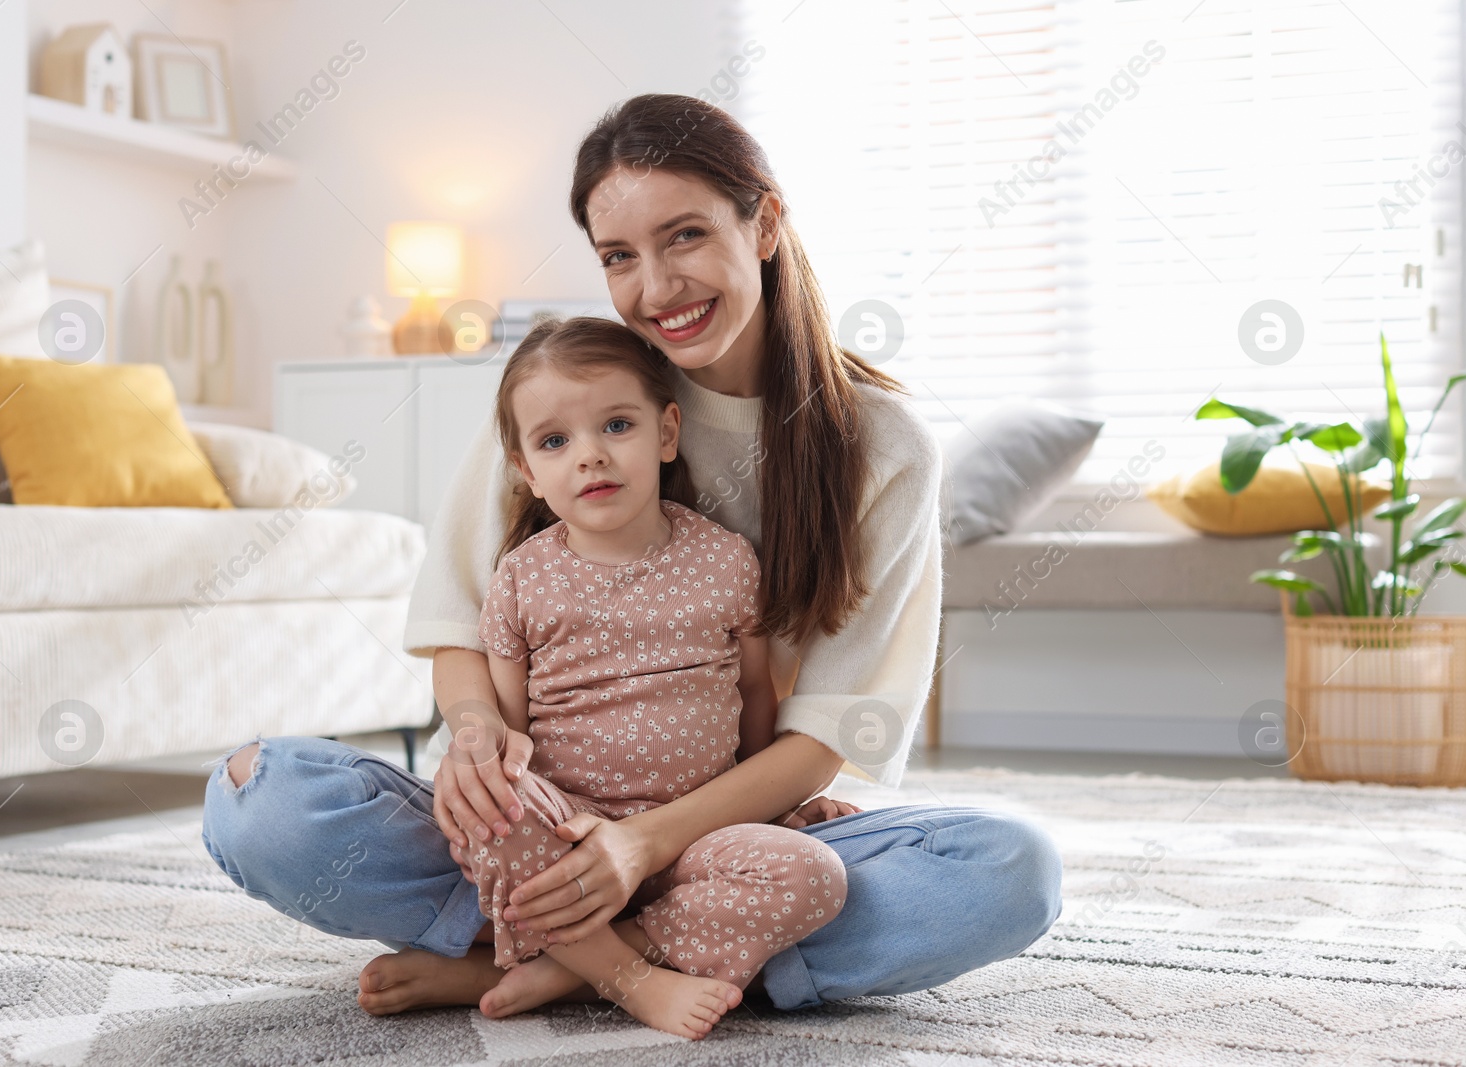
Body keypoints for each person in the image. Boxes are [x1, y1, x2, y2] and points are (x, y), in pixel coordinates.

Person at [200, 92, 1062, 1019]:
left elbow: (823, 738)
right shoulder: (572, 397)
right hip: (542, 826)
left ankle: (552, 961)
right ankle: (653, 947)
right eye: (619, 256)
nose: (656, 288)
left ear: (764, 222)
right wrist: (479, 739)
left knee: (1010, 871)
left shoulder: (883, 445)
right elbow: (460, 629)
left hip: (733, 838)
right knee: (259, 800)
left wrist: (642, 846)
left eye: (685, 235)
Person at [458, 314, 846, 1038]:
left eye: (616, 425)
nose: (590, 457)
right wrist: (499, 788)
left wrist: (775, 809)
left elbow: (756, 700)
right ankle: (631, 980)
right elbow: (510, 739)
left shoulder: (727, 560)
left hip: (698, 840)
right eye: (554, 441)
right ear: (525, 470)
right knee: (494, 802)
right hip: (568, 839)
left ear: (667, 433)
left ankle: (565, 969)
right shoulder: (521, 577)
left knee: (817, 874)